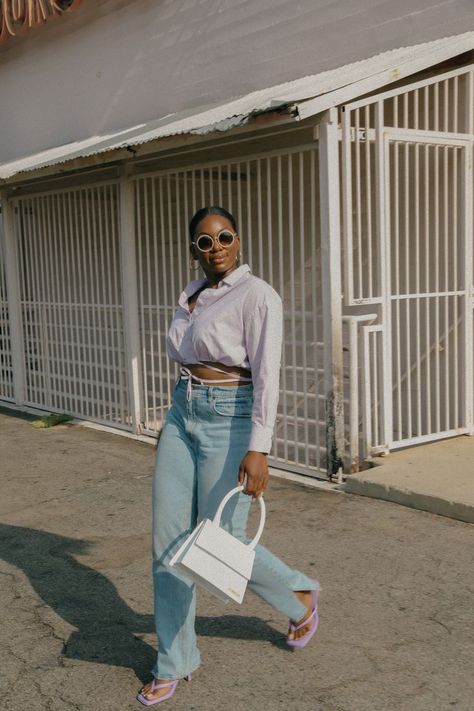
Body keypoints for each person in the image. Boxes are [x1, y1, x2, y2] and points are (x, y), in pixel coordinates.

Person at [137, 206, 321, 706]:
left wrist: (259, 449)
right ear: (193, 248)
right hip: (182, 413)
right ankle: (175, 660)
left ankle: (298, 595)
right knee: (168, 545)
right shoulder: (191, 296)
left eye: (224, 237)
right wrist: (171, 424)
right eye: (204, 240)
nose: (215, 247)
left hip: (232, 419)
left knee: (221, 539)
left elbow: (268, 376)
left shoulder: (258, 295)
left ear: (238, 241)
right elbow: (187, 362)